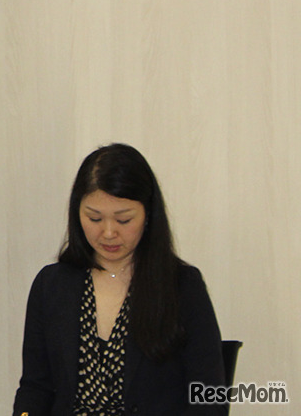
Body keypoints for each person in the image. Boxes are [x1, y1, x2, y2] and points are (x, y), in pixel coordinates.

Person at [13, 143, 227, 416]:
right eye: (94, 218)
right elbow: (35, 387)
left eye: (124, 220)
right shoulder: (51, 285)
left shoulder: (182, 286)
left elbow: (209, 395)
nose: (108, 233)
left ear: (148, 215)